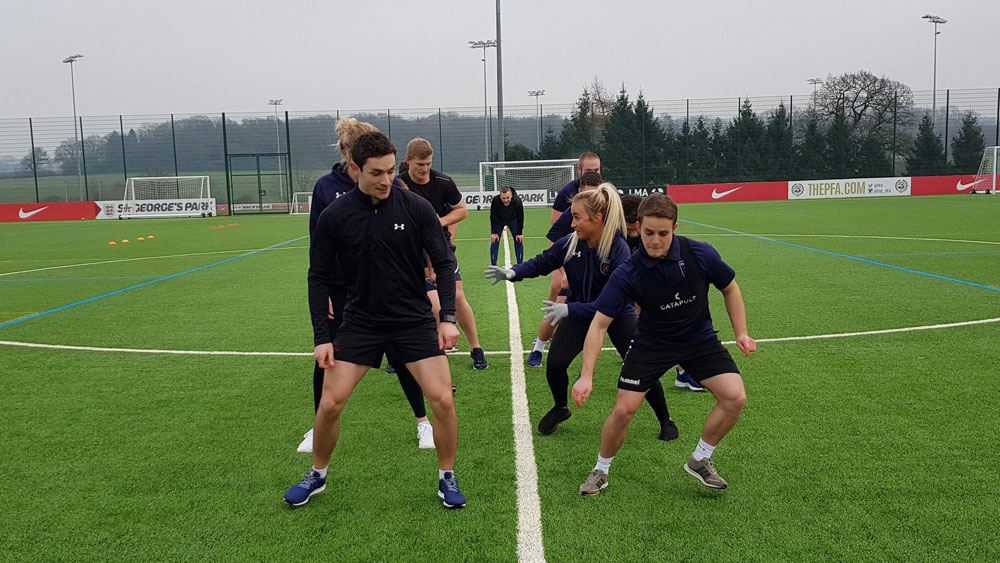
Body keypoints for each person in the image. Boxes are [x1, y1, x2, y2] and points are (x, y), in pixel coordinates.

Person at [285, 132, 466, 509]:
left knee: (442, 400)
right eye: (376, 173)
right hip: (361, 321)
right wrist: (322, 336)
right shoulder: (336, 215)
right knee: (330, 403)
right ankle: (317, 475)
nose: (386, 180)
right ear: (355, 169)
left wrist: (447, 318)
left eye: (389, 171)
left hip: (413, 320)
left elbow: (445, 264)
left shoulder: (415, 208)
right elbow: (317, 276)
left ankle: (446, 476)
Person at [573, 193, 755, 495]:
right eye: (648, 233)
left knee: (735, 398)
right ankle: (600, 470)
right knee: (624, 411)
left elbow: (730, 287)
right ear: (637, 227)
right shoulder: (628, 273)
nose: (655, 240)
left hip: (699, 340)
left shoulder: (699, 254)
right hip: (652, 344)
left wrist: (742, 332)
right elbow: (599, 324)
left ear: (675, 227)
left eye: (663, 233)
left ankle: (701, 458)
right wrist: (586, 375)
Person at [486, 183, 678, 440]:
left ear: (597, 218)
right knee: (555, 364)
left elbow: (608, 303)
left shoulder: (618, 250)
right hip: (578, 311)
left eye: (577, 217)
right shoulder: (570, 243)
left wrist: (568, 308)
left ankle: (665, 419)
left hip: (616, 314)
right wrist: (512, 272)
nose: (572, 223)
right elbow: (542, 262)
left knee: (640, 366)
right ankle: (561, 408)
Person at [299, 118, 437, 454]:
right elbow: (319, 243)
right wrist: (330, 291)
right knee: (328, 360)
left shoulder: (391, 185)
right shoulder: (325, 188)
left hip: (388, 288)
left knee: (402, 354)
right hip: (343, 290)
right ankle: (319, 425)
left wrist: (423, 279)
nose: (383, 177)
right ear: (350, 156)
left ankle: (422, 421)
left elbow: (410, 236)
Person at [400, 138, 488, 371]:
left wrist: (437, 222)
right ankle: (402, 352)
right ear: (408, 160)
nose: (425, 168)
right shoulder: (398, 184)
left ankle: (476, 348)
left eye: (428, 163)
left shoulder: (443, 182)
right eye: (420, 164)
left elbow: (462, 211)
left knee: (457, 297)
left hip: (440, 250)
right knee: (414, 302)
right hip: (408, 253)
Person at [620, 194, 703, 392]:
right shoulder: (614, 237)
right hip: (624, 280)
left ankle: (683, 370)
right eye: (630, 229)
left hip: (652, 283)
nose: (632, 234)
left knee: (673, 315)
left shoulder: (660, 238)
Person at [527, 152, 602, 367]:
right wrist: (563, 271)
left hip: (596, 265)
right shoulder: (568, 197)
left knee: (607, 312)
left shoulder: (606, 193)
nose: (594, 173)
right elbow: (556, 236)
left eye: (597, 170)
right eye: (589, 171)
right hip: (570, 259)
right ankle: (540, 346)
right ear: (579, 172)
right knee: (558, 302)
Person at [489, 186, 524, 265]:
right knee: (495, 241)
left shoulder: (517, 201)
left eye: (508, 198)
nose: (505, 200)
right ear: (500, 196)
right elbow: (493, 216)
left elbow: (520, 217)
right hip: (499, 221)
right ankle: (494, 265)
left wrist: (519, 233)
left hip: (513, 220)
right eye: (503, 198)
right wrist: (494, 232)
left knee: (518, 241)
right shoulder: (496, 200)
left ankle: (520, 264)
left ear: (511, 195)